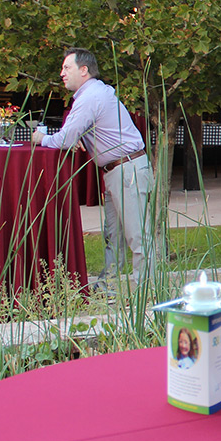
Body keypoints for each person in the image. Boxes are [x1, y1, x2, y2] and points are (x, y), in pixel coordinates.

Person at [33, 48, 154, 289]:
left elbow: (65, 139)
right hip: (119, 169)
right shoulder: (95, 93)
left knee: (137, 236)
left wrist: (40, 138)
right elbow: (83, 131)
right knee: (115, 235)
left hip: (126, 170)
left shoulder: (90, 97)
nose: (62, 74)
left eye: (67, 68)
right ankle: (108, 284)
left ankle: (148, 293)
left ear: (84, 70)